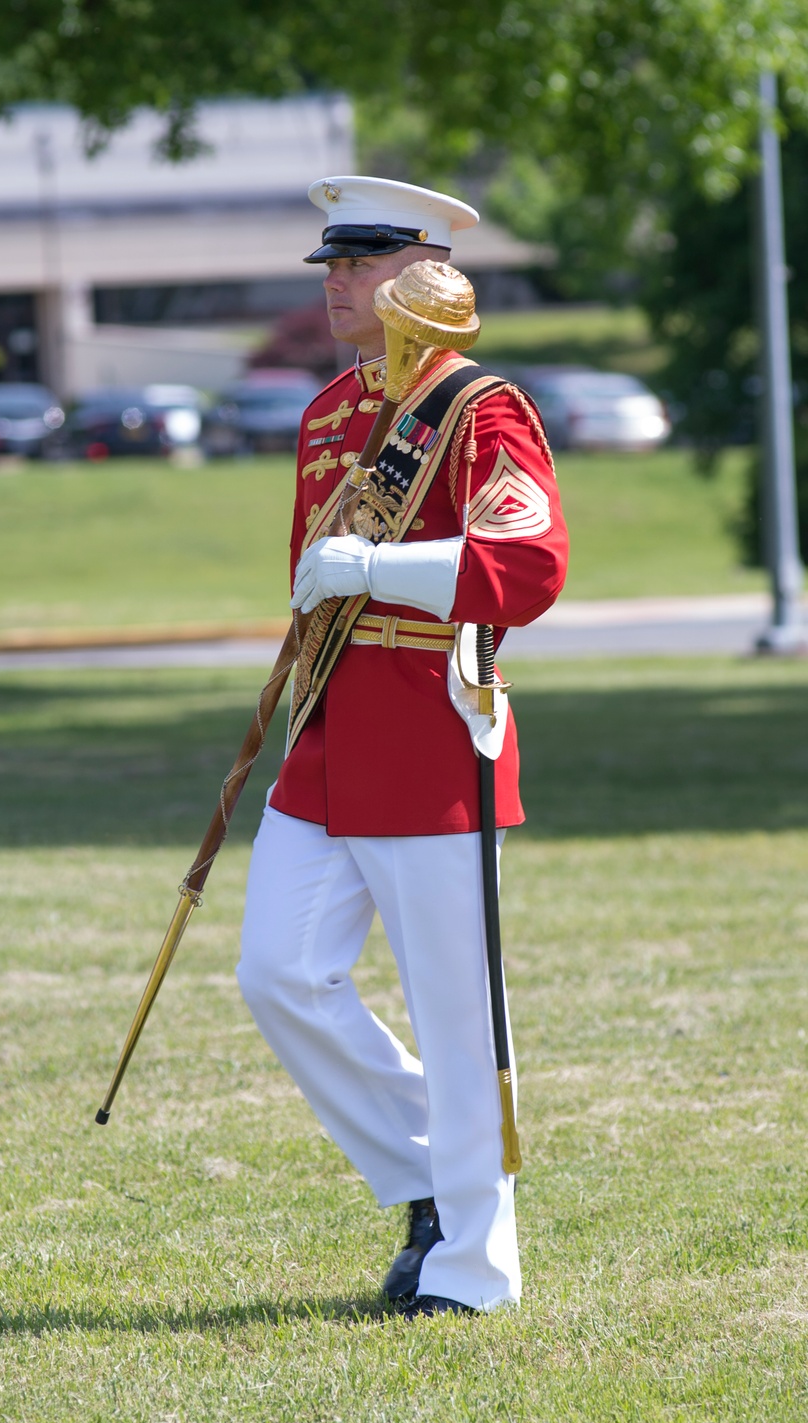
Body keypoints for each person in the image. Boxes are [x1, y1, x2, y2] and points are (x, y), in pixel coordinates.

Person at [235, 177, 568, 1317]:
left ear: (426, 273)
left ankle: (474, 1269)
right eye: (331, 262)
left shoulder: (480, 410)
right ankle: (430, 1172)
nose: (335, 280)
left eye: (361, 261)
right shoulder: (329, 410)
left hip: (432, 735)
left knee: (456, 1012)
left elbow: (527, 569)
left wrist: (373, 570)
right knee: (276, 970)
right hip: (329, 733)